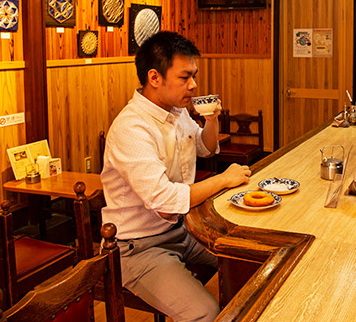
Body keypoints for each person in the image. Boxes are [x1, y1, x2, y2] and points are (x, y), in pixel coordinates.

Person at [100, 31, 251, 322]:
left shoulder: (176, 110)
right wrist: (223, 180)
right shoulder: (132, 128)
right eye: (185, 78)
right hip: (138, 248)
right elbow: (165, 200)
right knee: (205, 314)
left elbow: (205, 148)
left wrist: (211, 119)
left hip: (184, 230)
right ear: (154, 77)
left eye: (193, 76)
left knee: (248, 263)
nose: (193, 85)